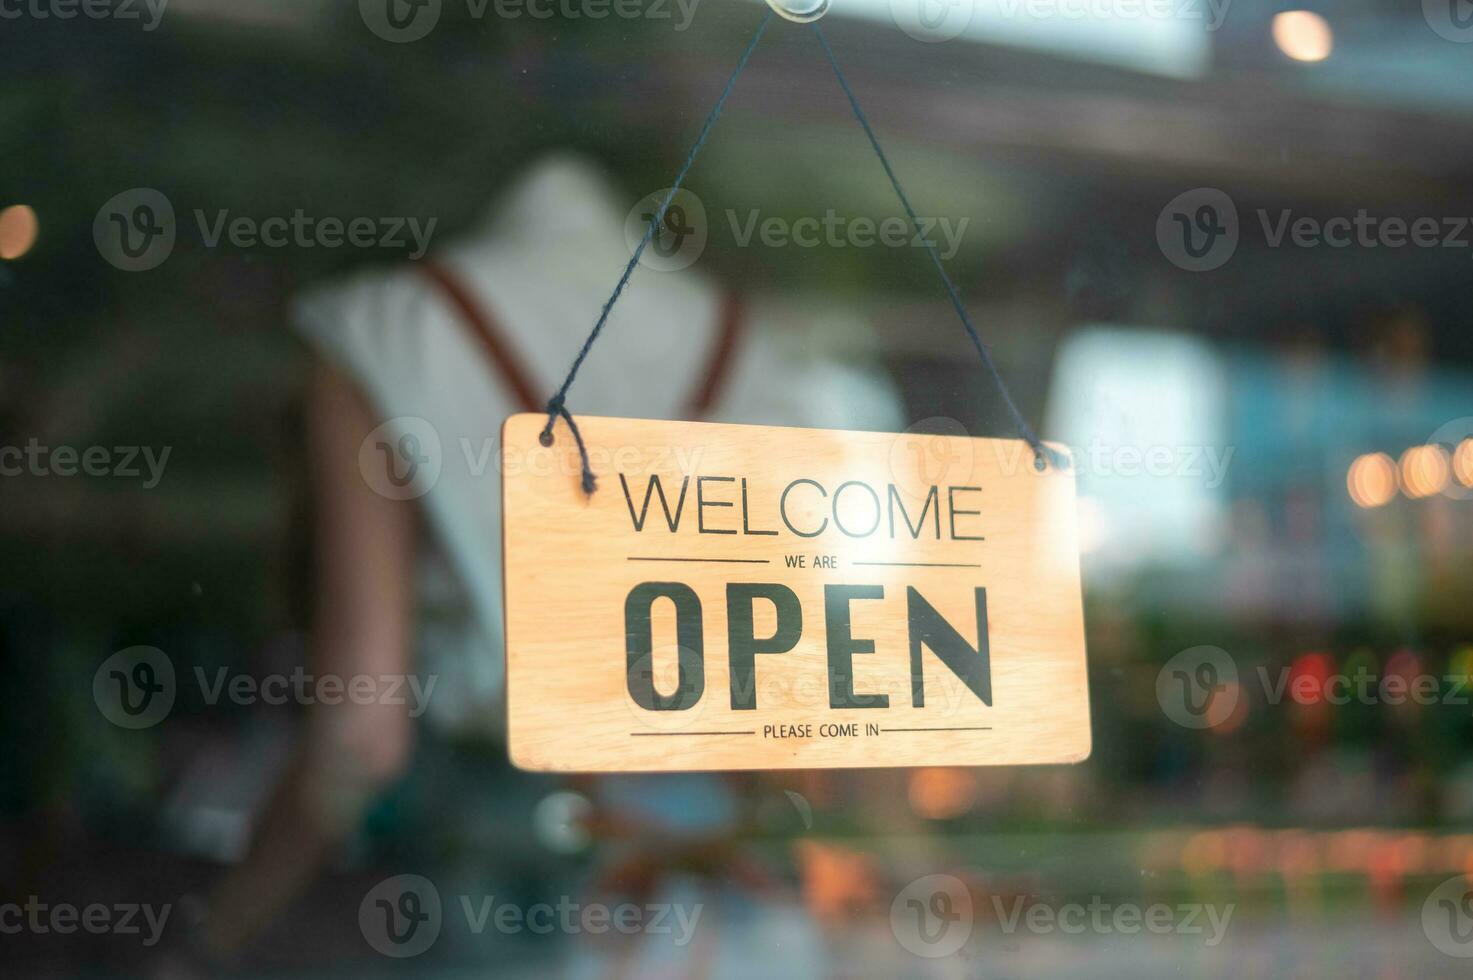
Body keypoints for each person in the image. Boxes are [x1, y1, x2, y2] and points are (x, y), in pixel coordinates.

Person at [197, 154, 903, 963]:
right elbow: (816, 672)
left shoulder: (380, 329)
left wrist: (217, 932)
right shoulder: (760, 349)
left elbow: (362, 735)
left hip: (511, 862)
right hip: (714, 862)